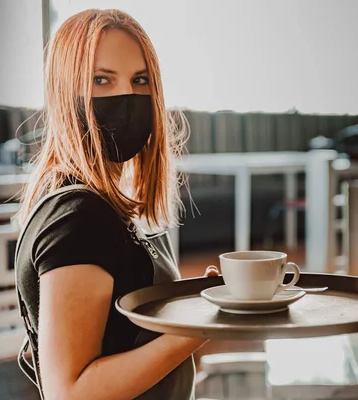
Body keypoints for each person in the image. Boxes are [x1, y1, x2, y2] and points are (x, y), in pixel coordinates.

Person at [14, 9, 218, 400]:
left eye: (139, 80)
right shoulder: (79, 216)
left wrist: (193, 303)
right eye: (101, 80)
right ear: (65, 92)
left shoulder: (100, 206)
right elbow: (72, 391)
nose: (126, 98)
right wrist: (204, 325)